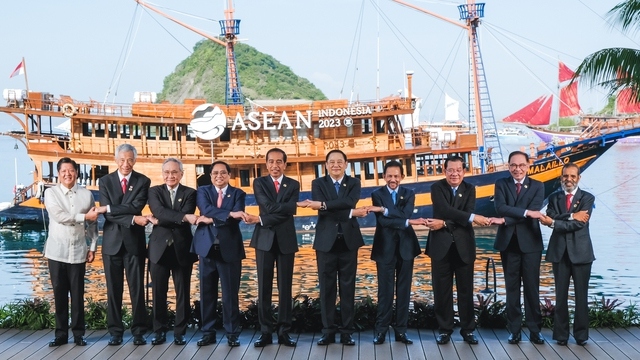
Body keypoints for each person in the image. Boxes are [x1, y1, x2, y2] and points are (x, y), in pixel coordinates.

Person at [298, 149, 367, 346]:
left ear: (346, 164)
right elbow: (340, 209)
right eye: (331, 162)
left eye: (339, 162)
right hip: (325, 242)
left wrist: (324, 205)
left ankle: (347, 332)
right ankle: (327, 332)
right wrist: (351, 212)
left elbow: (349, 201)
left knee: (348, 288)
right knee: (327, 289)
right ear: (326, 165)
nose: (335, 165)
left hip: (349, 241)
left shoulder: (354, 182)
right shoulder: (318, 183)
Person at [425, 156, 490, 345]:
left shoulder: (470, 189)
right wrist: (472, 217)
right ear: (444, 171)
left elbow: (457, 217)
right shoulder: (436, 188)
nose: (455, 173)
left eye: (458, 170)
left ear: (464, 171)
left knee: (465, 291)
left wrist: (445, 223)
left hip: (463, 247)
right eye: (451, 170)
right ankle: (445, 330)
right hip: (440, 247)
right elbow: (444, 209)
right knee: (441, 291)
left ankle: (468, 330)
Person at [93, 144, 151, 346]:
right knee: (113, 290)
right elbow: (111, 215)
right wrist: (132, 219)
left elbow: (136, 207)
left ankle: (139, 331)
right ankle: (115, 332)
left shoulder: (143, 181)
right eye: (122, 160)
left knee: (137, 290)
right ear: (116, 160)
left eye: (130, 160)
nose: (126, 164)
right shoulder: (105, 181)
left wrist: (108, 207)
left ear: (135, 160)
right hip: (112, 244)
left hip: (134, 243)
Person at [245, 148, 299, 347]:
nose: (275, 165)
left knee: (286, 287)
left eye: (279, 162)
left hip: (286, 240)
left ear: (285, 164)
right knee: (263, 287)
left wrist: (260, 218)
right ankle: (265, 332)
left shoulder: (293, 184)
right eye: (271, 162)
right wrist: (284, 208)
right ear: (266, 164)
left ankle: (284, 332)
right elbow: (270, 207)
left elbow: (288, 209)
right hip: (264, 241)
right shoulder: (259, 182)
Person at [490, 150, 545, 345]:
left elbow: (535, 211)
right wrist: (527, 212)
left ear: (528, 165)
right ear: (508, 166)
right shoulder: (501, 184)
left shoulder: (538, 186)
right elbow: (500, 207)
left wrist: (506, 219)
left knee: (532, 288)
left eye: (521, 165)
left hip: (531, 244)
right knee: (512, 289)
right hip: (509, 244)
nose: (517, 169)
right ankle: (514, 330)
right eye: (513, 165)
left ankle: (535, 330)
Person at [43, 157, 99, 347]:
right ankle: (60, 335)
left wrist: (92, 247)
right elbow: (59, 217)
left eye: (71, 170)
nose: (68, 174)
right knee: (59, 294)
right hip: (56, 251)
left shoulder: (86, 194)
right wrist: (84, 216)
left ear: (76, 172)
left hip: (78, 250)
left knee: (77, 294)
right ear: (59, 174)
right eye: (63, 171)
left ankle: (78, 334)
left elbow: (93, 222)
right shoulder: (51, 193)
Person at [191, 161, 247, 347]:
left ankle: (232, 333)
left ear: (229, 174)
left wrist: (212, 219)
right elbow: (205, 209)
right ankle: (208, 333)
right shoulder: (203, 191)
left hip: (230, 249)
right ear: (211, 174)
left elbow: (237, 218)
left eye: (223, 173)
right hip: (206, 249)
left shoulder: (239, 193)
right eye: (215, 173)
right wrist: (229, 214)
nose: (219, 176)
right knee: (207, 293)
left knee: (230, 294)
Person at [367, 160, 423, 345]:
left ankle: (401, 331)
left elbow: (405, 215)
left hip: (407, 247)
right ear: (384, 177)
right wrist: (397, 217)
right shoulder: (377, 194)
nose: (393, 179)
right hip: (384, 249)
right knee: (385, 291)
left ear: (402, 177)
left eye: (396, 176)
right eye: (389, 176)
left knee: (404, 291)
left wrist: (384, 209)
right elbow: (383, 222)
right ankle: (381, 331)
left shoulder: (409, 193)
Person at [540, 163, 594, 346]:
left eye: (572, 176)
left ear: (579, 178)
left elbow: (580, 224)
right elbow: (549, 216)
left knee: (581, 296)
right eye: (565, 176)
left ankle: (581, 336)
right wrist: (571, 216)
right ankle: (561, 336)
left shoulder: (588, 197)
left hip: (582, 253)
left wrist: (555, 222)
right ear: (561, 177)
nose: (568, 179)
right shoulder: (554, 197)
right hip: (559, 253)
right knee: (560, 296)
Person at [146, 158, 198, 346]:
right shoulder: (154, 191)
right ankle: (159, 331)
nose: (170, 176)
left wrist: (162, 219)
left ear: (181, 174)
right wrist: (183, 217)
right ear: (162, 174)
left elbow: (161, 216)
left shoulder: (191, 193)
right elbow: (158, 211)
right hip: (159, 249)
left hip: (182, 248)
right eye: (167, 172)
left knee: (182, 292)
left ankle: (180, 332)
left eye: (174, 172)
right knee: (158, 293)